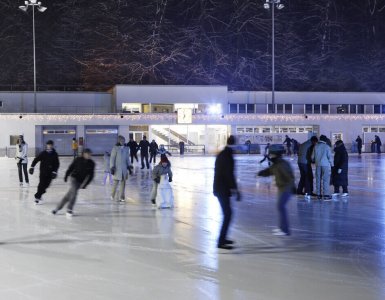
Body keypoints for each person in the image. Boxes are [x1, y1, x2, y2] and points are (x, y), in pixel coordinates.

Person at [258, 144, 295, 236]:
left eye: (271, 155)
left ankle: (285, 230)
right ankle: (282, 228)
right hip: (282, 187)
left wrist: (293, 187)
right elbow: (270, 171)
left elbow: (289, 176)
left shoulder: (281, 164)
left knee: (281, 207)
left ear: (275, 154)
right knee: (280, 207)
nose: (270, 157)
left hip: (286, 187)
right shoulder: (277, 163)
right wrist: (261, 173)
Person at [213, 135, 241, 250]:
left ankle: (223, 239)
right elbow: (229, 174)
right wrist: (236, 190)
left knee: (228, 214)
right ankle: (221, 241)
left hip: (221, 188)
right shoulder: (227, 156)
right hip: (222, 189)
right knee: (228, 214)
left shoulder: (222, 154)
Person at [52, 148, 95, 217]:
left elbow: (91, 175)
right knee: (74, 193)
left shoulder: (91, 163)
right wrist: (66, 175)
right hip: (74, 178)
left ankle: (57, 208)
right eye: (88, 154)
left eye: (90, 154)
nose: (89, 155)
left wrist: (85, 184)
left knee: (68, 196)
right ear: (84, 154)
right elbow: (71, 167)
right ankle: (69, 209)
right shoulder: (78, 159)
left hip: (80, 182)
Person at [29, 140, 60, 205]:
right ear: (46, 145)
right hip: (43, 172)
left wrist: (55, 171)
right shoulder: (43, 153)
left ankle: (38, 195)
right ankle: (37, 198)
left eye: (50, 145)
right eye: (48, 145)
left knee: (46, 186)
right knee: (41, 185)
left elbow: (57, 164)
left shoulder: (55, 154)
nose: (49, 146)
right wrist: (32, 167)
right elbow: (36, 159)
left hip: (50, 173)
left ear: (52, 145)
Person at [110, 136, 132, 202]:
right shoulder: (115, 148)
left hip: (124, 169)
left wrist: (129, 166)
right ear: (119, 141)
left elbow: (127, 159)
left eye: (124, 141)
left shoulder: (126, 149)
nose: (123, 142)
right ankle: (112, 195)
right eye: (121, 141)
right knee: (115, 183)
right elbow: (112, 158)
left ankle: (121, 197)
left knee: (123, 184)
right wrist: (112, 167)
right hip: (117, 169)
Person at [311, 135, 334, 200]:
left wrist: (314, 160)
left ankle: (318, 194)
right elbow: (329, 157)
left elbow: (312, 157)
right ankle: (326, 195)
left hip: (318, 165)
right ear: (325, 140)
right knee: (325, 180)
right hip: (325, 165)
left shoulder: (316, 146)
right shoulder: (327, 147)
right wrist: (332, 165)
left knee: (318, 179)